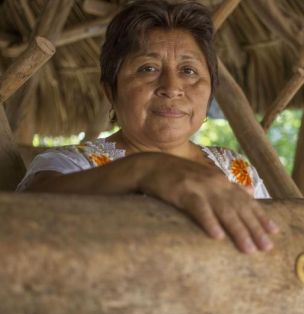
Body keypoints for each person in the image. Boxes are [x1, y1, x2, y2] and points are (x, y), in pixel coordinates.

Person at [17, 0, 279, 254]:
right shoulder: (71, 165)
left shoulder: (236, 170)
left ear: (209, 91)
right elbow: (25, 211)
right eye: (148, 68)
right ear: (111, 91)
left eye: (188, 71)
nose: (172, 87)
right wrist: (144, 169)